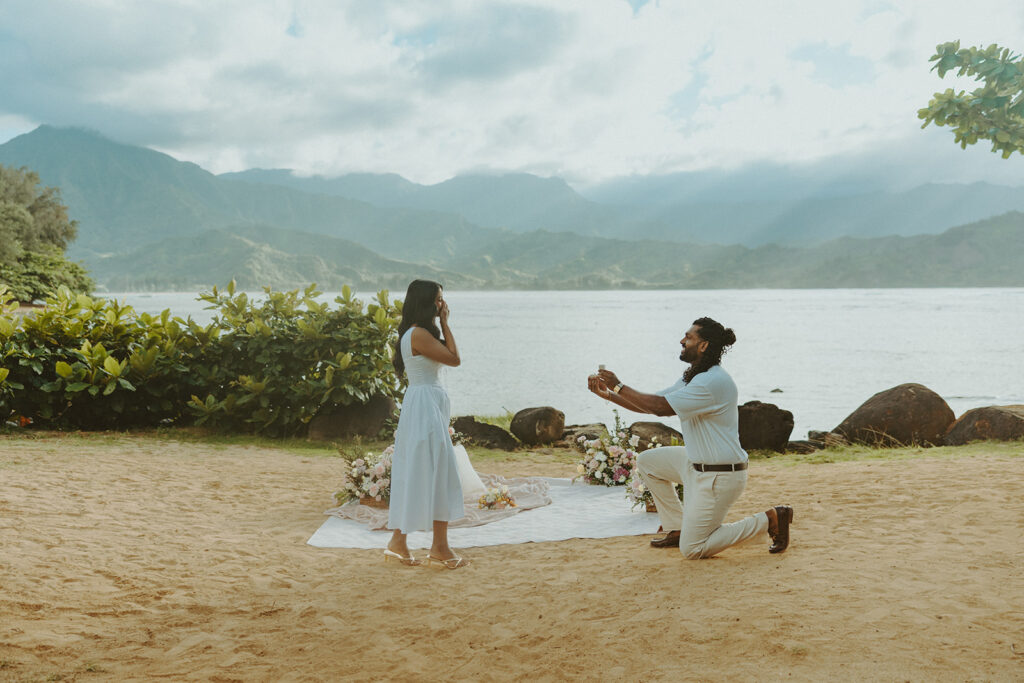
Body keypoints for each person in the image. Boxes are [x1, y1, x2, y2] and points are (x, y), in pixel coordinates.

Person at [587, 316, 792, 559]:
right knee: (648, 462)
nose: (682, 340)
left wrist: (619, 385)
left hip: (720, 475)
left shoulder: (711, 382)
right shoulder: (694, 377)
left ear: (703, 345)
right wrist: (609, 395)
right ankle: (677, 527)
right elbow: (652, 404)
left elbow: (661, 407)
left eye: (689, 337)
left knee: (694, 548)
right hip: (697, 464)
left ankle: (769, 520)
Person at [385, 280, 469, 569]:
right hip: (425, 408)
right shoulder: (418, 333)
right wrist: (446, 322)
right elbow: (455, 359)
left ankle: (399, 543)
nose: (441, 305)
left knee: (421, 471)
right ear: (425, 303)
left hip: (424, 405)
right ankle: (439, 548)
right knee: (439, 472)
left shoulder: (415, 333)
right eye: (438, 300)